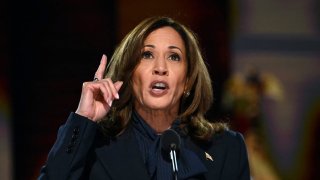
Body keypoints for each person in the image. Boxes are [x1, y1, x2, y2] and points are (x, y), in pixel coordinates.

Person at [38, 16, 250, 180]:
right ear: (130, 74)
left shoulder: (226, 149)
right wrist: (83, 118)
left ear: (187, 81)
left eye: (174, 56)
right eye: (147, 55)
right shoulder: (92, 144)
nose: (160, 68)